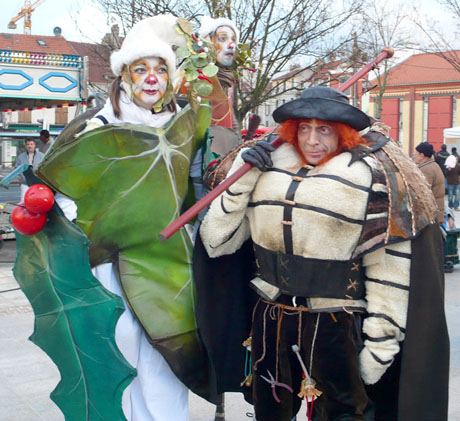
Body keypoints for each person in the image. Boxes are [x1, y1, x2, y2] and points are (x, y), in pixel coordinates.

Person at [196, 86, 449, 420]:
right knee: (269, 411)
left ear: (343, 133)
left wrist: (381, 341)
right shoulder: (265, 169)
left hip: (335, 324)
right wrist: (242, 179)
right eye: (304, 129)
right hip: (270, 319)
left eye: (324, 130)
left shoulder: (371, 177)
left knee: (340, 413)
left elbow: (388, 265)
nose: (312, 140)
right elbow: (218, 242)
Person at [20, 14, 214, 421]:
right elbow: (64, 190)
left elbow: (198, 182)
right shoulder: (97, 126)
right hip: (110, 261)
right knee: (120, 349)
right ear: (124, 75)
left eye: (161, 69)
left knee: (168, 357)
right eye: (141, 69)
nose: (151, 78)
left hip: (169, 259)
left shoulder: (183, 125)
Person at [199, 17, 239, 129]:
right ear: (208, 43)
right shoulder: (195, 79)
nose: (231, 45)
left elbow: (231, 120)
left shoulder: (229, 81)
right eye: (223, 39)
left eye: (233, 40)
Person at [414, 142, 445, 221]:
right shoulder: (433, 165)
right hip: (435, 212)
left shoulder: (426, 169)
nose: (414, 156)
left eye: (416, 154)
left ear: (422, 155)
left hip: (430, 215)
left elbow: (423, 194)